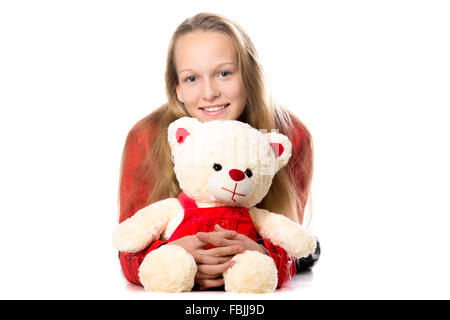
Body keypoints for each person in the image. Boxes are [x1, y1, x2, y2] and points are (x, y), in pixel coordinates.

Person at [117, 12, 319, 291]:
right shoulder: (147, 138)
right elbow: (127, 248)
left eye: (224, 73)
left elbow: (293, 245)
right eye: (191, 79)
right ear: (176, 89)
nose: (209, 93)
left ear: (248, 75)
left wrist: (261, 253)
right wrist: (172, 253)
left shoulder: (289, 136)